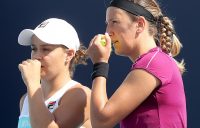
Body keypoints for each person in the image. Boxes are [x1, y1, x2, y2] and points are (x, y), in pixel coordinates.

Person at [87, 0, 187, 127]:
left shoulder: (153, 63)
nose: (108, 31)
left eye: (114, 22)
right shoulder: (154, 61)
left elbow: (100, 121)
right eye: (107, 23)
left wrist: (100, 63)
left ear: (140, 24)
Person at [17, 18, 91, 128]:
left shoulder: (82, 95)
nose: (36, 56)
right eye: (34, 48)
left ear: (69, 54)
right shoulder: (26, 100)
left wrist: (33, 84)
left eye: (46, 49)